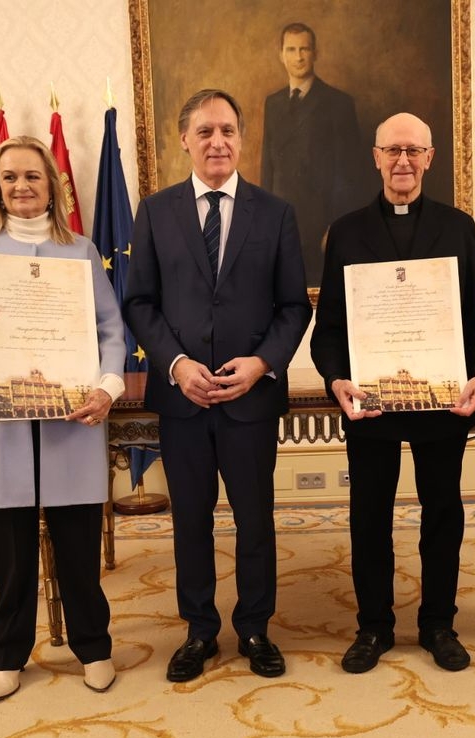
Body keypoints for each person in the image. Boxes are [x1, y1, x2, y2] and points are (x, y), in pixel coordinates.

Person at [0, 135, 125, 702]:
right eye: (10, 177)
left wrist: (108, 388)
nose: (21, 186)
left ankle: (94, 646)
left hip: (72, 418)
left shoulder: (82, 250)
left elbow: (111, 330)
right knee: (9, 555)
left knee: (79, 548)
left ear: (52, 185)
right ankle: (9, 653)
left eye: (32, 176)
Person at [124, 89, 311, 683]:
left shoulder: (275, 213)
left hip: (249, 399)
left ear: (241, 138)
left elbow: (292, 307)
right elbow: (139, 302)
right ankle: (200, 630)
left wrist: (262, 364)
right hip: (182, 400)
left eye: (228, 130)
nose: (217, 142)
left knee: (256, 519)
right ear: (184, 140)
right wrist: (176, 364)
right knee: (191, 521)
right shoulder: (154, 212)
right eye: (205, 132)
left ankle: (255, 627)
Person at [310, 113, 475, 673]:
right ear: (375, 157)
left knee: (442, 512)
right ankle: (373, 626)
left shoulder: (457, 226)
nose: (402, 161)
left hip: (442, 403)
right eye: (392, 150)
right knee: (369, 514)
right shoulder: (345, 232)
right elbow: (329, 331)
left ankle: (439, 623)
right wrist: (336, 378)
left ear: (430, 158)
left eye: (413, 151)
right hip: (370, 405)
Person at [261, 22, 368, 287]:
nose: (298, 57)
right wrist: (265, 220)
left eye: (304, 49)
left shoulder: (338, 103)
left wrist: (335, 227)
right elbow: (268, 166)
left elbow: (350, 175)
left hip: (321, 227)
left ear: (315, 53)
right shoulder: (273, 103)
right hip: (282, 224)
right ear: (281, 55)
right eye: (291, 49)